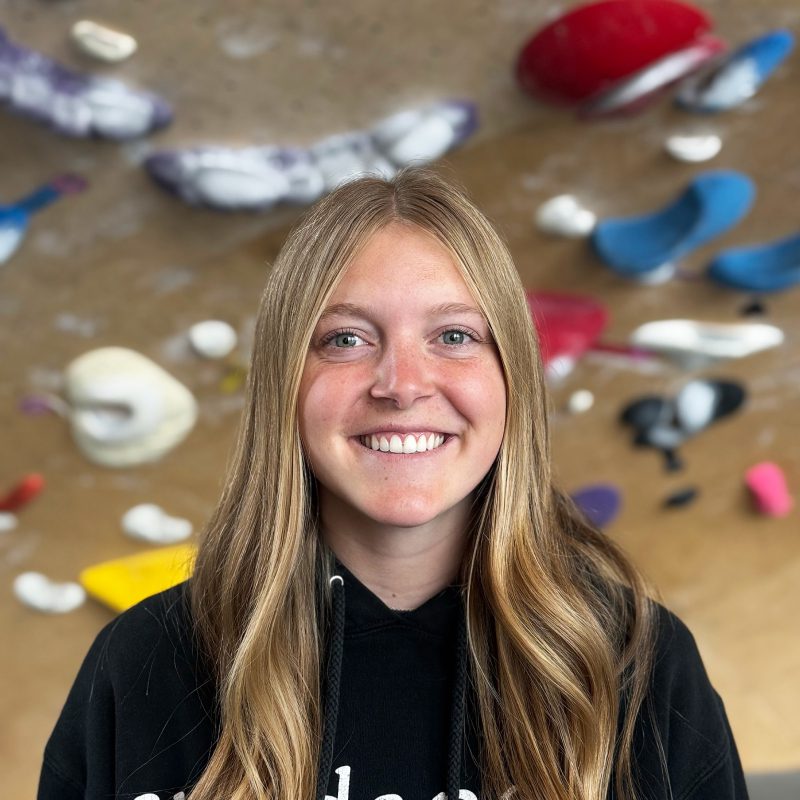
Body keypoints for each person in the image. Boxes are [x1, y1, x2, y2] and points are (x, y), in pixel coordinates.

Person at [38, 168, 748, 800]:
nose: (402, 385)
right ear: (285, 382)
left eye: (454, 336)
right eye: (345, 339)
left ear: (514, 378)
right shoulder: (145, 662)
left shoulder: (630, 659)